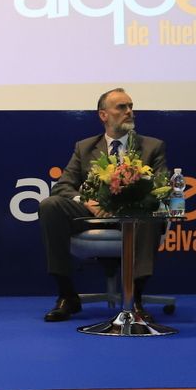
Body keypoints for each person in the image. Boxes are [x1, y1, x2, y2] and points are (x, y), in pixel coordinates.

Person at [37, 87, 166, 322]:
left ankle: (134, 298)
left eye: (131, 107)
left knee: (150, 212)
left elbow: (161, 187)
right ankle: (67, 295)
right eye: (121, 107)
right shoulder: (85, 147)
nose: (129, 112)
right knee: (50, 205)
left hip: (134, 215)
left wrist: (132, 200)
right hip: (93, 213)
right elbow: (63, 186)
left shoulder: (152, 147)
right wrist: (88, 201)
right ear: (103, 115)